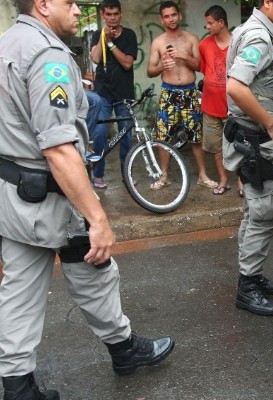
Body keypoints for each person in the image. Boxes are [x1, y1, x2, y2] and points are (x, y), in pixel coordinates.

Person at [0, 1, 175, 399]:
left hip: (18, 196)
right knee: (74, 273)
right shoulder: (47, 55)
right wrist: (98, 218)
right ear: (43, 4)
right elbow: (59, 149)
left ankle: (118, 350)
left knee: (73, 279)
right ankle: (24, 385)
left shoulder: (8, 42)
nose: (79, 9)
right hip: (51, 196)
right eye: (70, 2)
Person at [225, 0, 273, 316]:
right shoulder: (259, 36)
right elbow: (236, 87)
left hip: (250, 136)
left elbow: (260, 85)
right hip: (254, 138)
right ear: (266, 3)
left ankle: (252, 274)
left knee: (256, 210)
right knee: (263, 213)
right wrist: (272, 125)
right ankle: (247, 286)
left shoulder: (260, 31)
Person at [147, 1, 214, 191]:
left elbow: (199, 66)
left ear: (180, 16)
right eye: (166, 16)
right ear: (162, 19)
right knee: (163, 136)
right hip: (168, 92)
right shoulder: (158, 42)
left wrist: (184, 56)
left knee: (196, 136)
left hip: (189, 91)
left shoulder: (191, 39)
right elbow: (150, 70)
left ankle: (202, 175)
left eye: (173, 15)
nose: (171, 19)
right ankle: (164, 176)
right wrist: (163, 66)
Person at [89, 0, 138, 190]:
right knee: (100, 134)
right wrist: (103, 38)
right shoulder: (97, 34)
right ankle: (98, 174)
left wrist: (110, 43)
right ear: (102, 15)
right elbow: (95, 58)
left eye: (115, 14)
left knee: (126, 136)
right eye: (108, 14)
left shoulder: (129, 35)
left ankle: (127, 175)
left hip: (124, 94)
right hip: (103, 93)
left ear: (121, 14)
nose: (112, 18)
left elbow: (127, 63)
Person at [198, 5, 243, 196]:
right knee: (217, 149)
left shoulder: (237, 44)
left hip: (233, 107)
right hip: (210, 107)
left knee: (239, 146)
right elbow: (204, 70)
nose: (207, 26)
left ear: (221, 22)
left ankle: (241, 182)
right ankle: (223, 180)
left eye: (210, 23)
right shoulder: (204, 44)